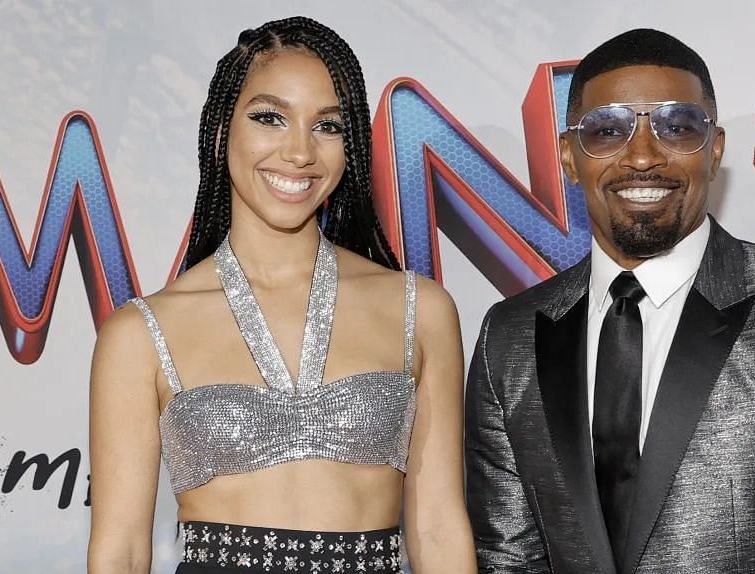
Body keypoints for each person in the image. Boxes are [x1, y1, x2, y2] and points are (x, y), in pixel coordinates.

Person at [465, 29, 755, 573]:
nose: (644, 157)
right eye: (607, 130)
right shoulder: (509, 334)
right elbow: (507, 558)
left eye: (677, 127)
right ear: (568, 155)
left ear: (715, 148)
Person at [88, 17, 476, 574]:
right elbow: (121, 551)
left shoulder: (421, 309)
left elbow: (439, 530)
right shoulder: (140, 332)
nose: (300, 152)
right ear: (223, 127)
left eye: (328, 126)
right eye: (270, 118)